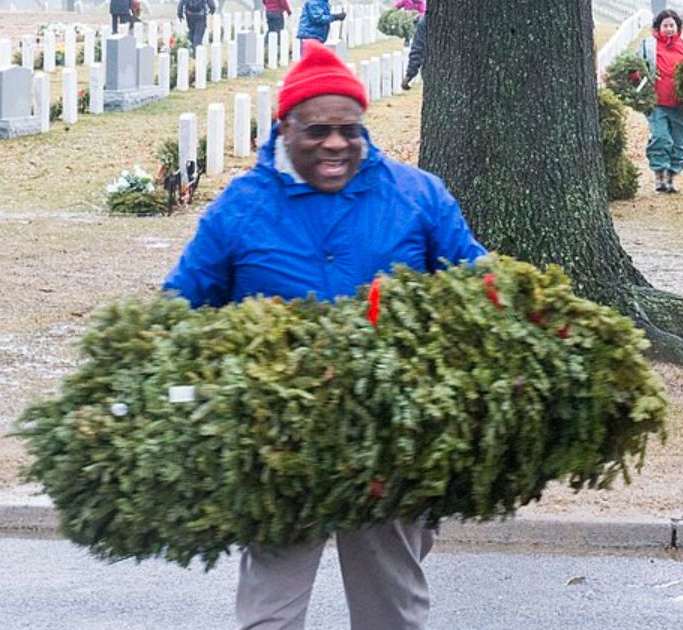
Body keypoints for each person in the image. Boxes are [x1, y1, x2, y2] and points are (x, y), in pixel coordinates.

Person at [162, 41, 488, 629]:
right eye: (316, 130)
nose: (335, 143)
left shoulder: (417, 197)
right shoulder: (240, 208)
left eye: (348, 129)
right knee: (270, 615)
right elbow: (181, 305)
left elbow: (478, 282)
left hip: (392, 447)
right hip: (280, 448)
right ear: (285, 127)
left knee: (392, 610)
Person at [638, 9, 683, 194]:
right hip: (657, 103)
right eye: (665, 25)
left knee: (679, 142)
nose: (669, 29)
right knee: (660, 138)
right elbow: (637, 66)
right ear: (658, 27)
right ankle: (660, 176)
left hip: (680, 104)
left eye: (672, 25)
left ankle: (672, 177)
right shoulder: (649, 45)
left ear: (678, 26)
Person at [400, 15, 426, 91]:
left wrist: (409, 75)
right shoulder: (424, 22)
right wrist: (410, 74)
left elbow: (418, 48)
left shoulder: (423, 21)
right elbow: (418, 49)